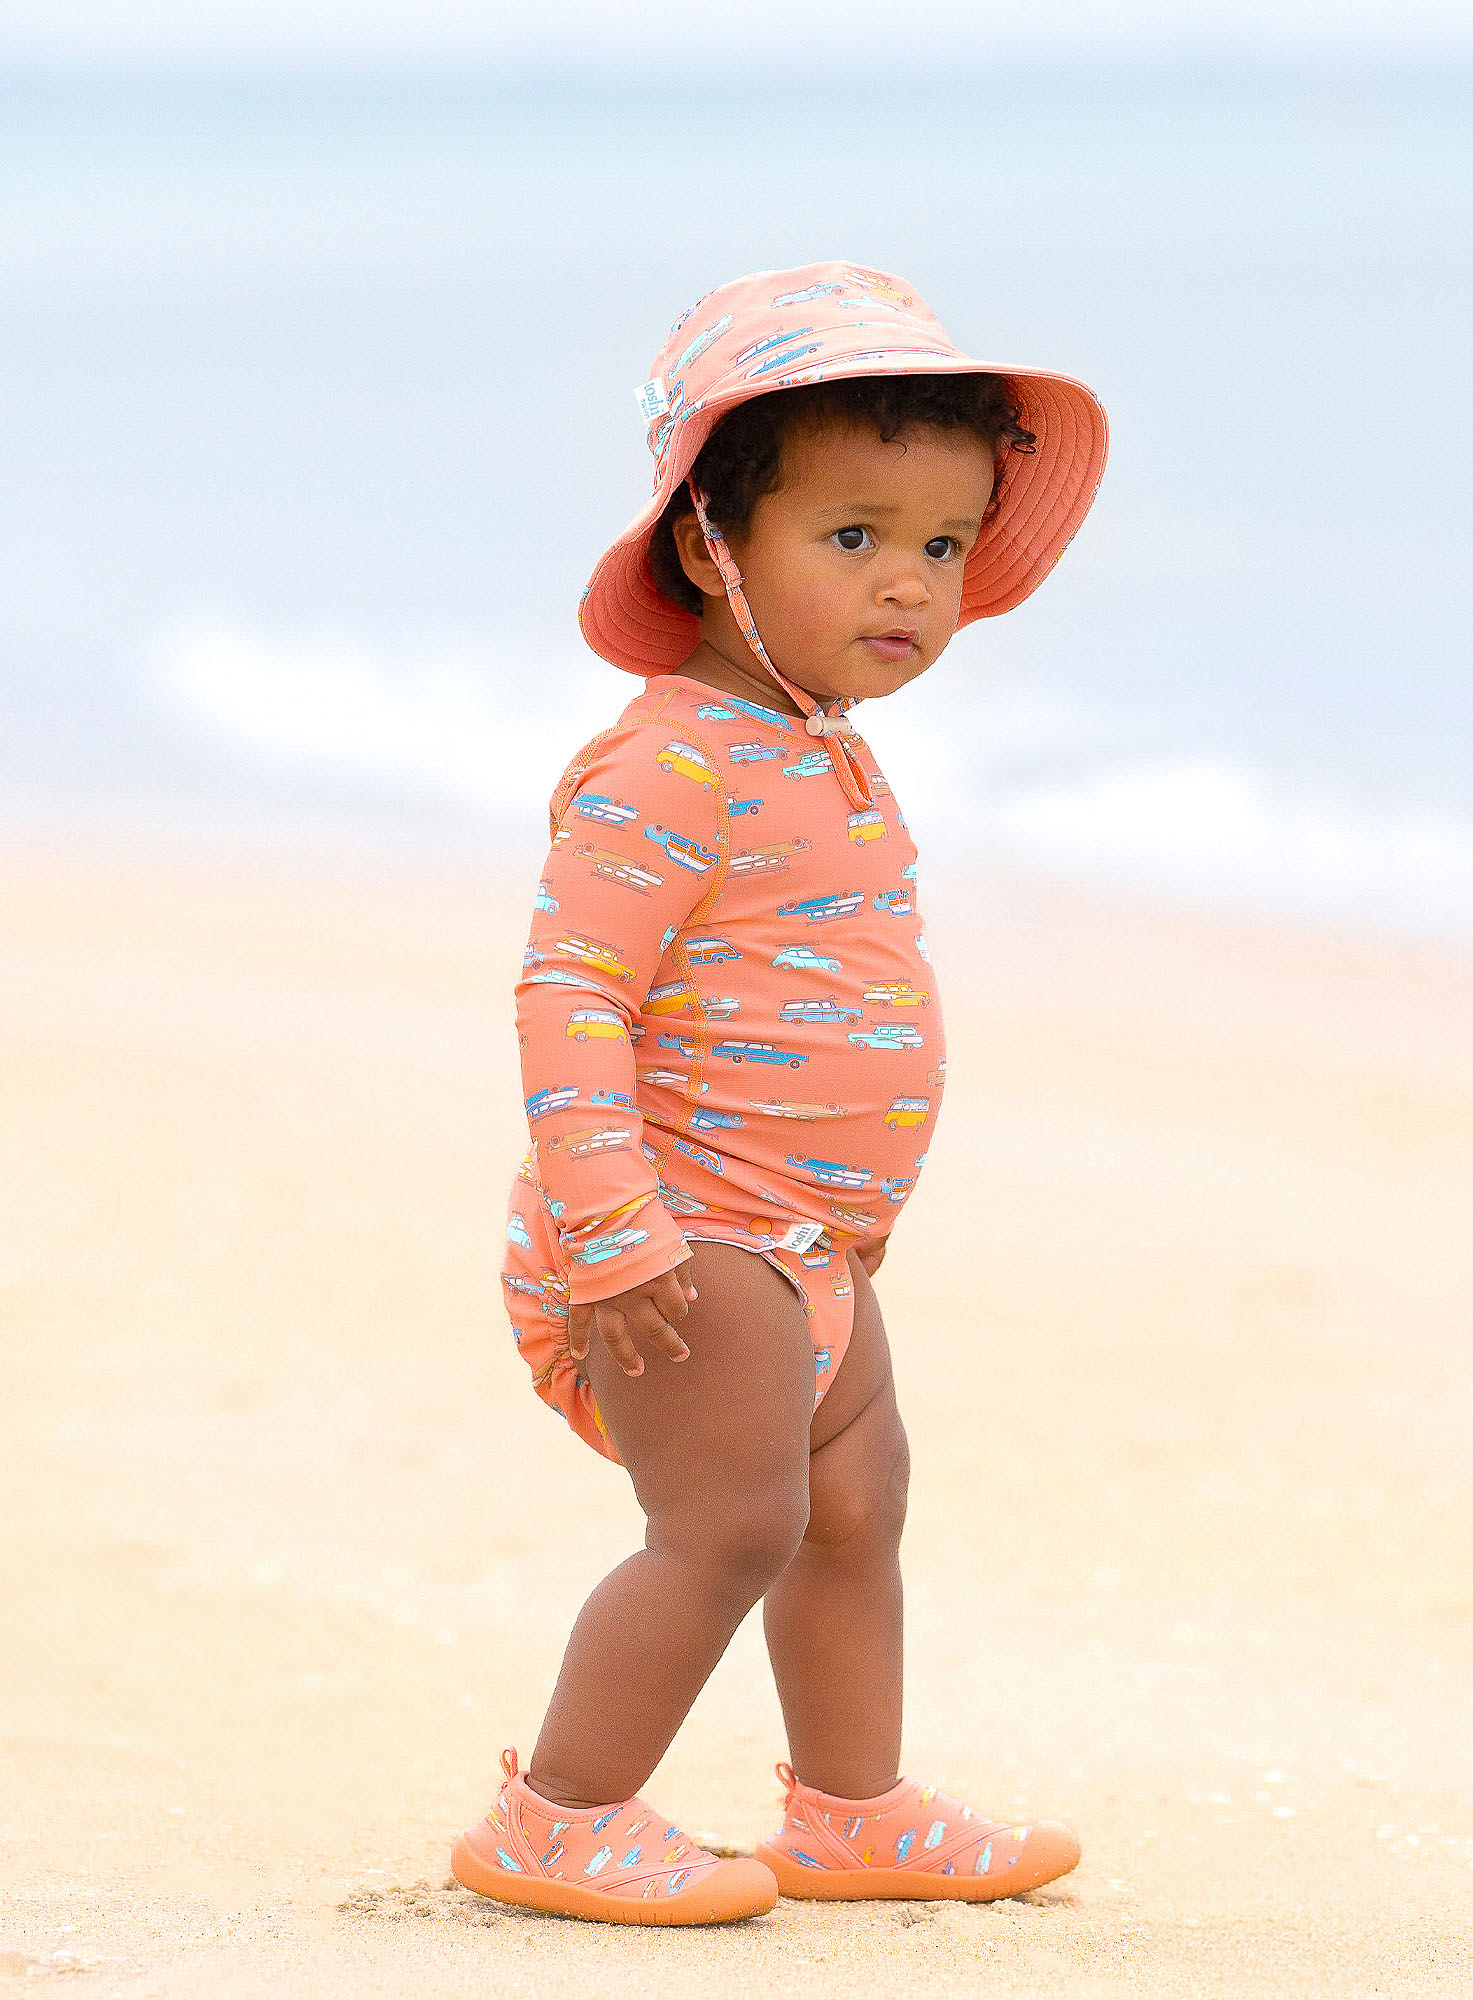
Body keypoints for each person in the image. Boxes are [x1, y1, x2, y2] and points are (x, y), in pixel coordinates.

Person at [450, 261, 1108, 1925]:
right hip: (681, 1234)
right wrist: (611, 1221)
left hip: (811, 1240)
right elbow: (571, 991)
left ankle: (851, 1806)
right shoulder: (668, 755)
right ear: (709, 549)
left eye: (943, 546)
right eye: (854, 536)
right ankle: (562, 1815)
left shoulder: (818, 744)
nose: (910, 584)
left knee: (857, 1506)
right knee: (729, 1527)